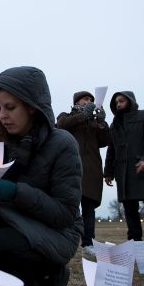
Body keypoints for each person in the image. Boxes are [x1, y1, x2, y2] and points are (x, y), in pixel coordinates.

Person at [0, 66, 82, 286]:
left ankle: (53, 276)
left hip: (56, 231)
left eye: (10, 107)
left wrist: (14, 192)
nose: (2, 115)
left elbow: (64, 214)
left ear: (31, 106)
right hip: (14, 220)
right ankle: (4, 279)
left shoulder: (62, 144)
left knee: (3, 243)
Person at [104, 91, 144, 259]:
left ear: (130, 101)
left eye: (121, 101)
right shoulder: (115, 124)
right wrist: (108, 172)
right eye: (116, 102)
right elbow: (112, 149)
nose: (118, 104)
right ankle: (134, 246)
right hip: (124, 174)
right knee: (130, 212)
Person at [57, 91, 111, 257]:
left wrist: (102, 123)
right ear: (77, 101)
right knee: (68, 207)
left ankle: (88, 242)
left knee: (88, 208)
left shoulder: (93, 122)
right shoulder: (66, 116)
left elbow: (105, 141)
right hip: (70, 168)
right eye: (85, 99)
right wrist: (82, 116)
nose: (89, 102)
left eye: (91, 100)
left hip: (91, 169)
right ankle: (62, 240)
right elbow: (60, 127)